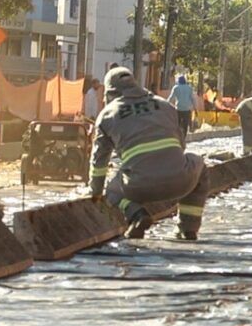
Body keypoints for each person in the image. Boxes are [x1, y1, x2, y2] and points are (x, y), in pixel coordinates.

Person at [89, 67, 209, 240]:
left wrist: (96, 192)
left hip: (140, 188)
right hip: (181, 182)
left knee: (112, 189)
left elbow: (99, 162)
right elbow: (180, 145)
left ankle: (137, 215)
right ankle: (188, 228)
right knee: (200, 166)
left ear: (110, 93)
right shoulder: (164, 105)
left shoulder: (107, 114)